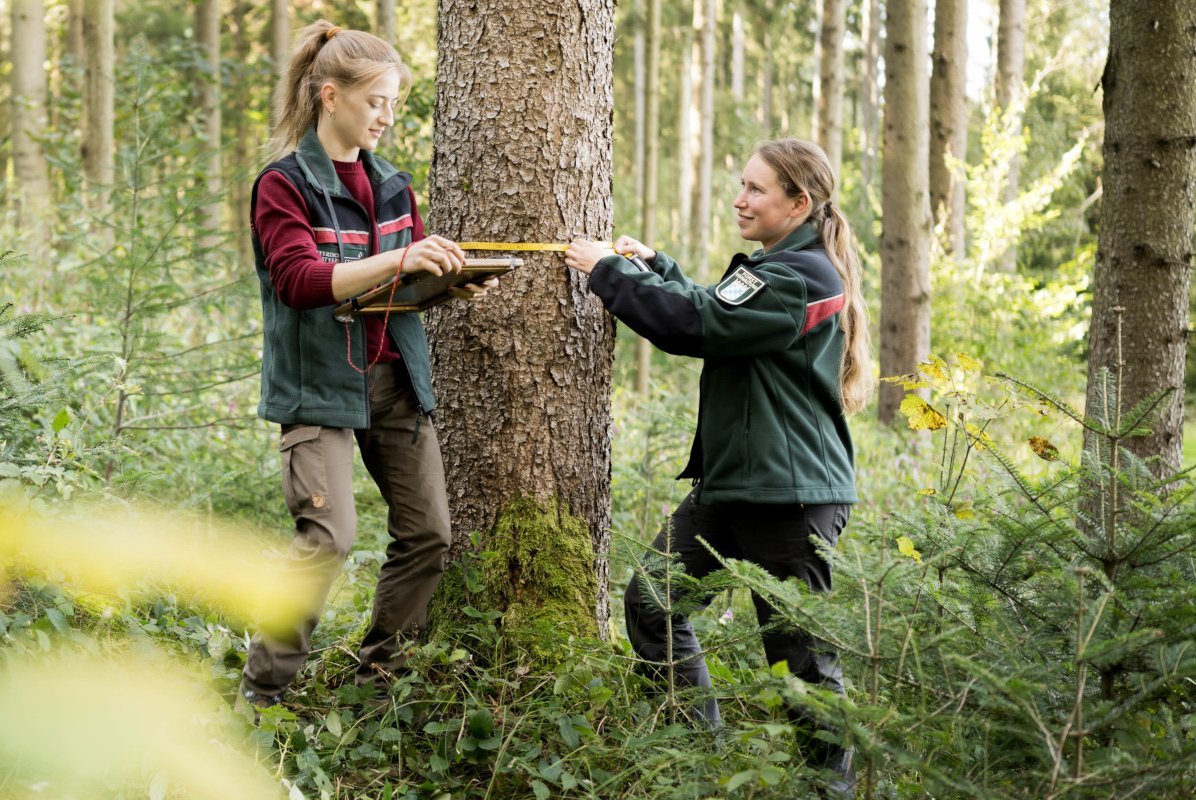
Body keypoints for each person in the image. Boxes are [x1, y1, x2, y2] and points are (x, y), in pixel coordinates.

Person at [564, 138, 871, 790]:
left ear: (799, 203)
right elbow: (712, 307)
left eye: (756, 189)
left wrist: (608, 273)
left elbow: (698, 326)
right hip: (733, 488)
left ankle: (830, 790)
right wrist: (658, 267)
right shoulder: (776, 267)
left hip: (789, 498)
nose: (740, 199)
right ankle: (699, 762)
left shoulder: (801, 276)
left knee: (801, 666)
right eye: (742, 185)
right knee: (652, 604)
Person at [238, 20, 497, 710]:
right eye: (377, 100)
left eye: (395, 102)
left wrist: (444, 281)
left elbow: (392, 288)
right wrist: (402, 258)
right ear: (330, 96)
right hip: (320, 386)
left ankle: (375, 685)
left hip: (396, 383)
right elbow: (299, 280)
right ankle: (262, 695)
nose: (387, 115)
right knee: (328, 539)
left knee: (430, 536)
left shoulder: (392, 186)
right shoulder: (284, 183)